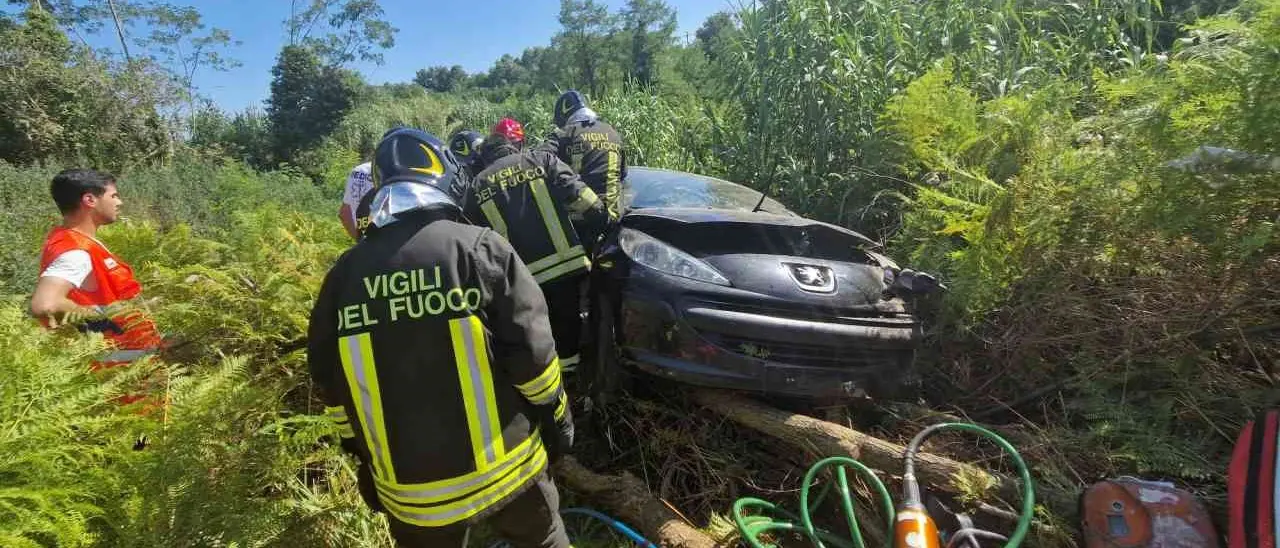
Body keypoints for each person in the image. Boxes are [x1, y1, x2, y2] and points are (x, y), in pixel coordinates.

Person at [307, 127, 574, 548]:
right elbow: (534, 358)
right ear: (446, 177)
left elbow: (329, 383)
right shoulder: (479, 249)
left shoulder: (342, 278)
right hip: (509, 475)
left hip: (412, 499)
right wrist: (559, 422)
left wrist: (360, 454)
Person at [466, 122, 609, 373]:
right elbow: (587, 201)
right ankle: (572, 383)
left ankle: (545, 385)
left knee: (535, 337)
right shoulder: (542, 160)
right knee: (569, 333)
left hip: (520, 280)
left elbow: (471, 241)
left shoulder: (476, 187)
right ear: (516, 145)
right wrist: (602, 222)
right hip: (565, 270)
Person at [30, 168, 163, 375]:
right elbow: (45, 304)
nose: (120, 202)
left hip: (129, 370)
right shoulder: (76, 251)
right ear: (90, 200)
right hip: (117, 378)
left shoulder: (77, 242)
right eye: (114, 196)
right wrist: (98, 318)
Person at [535, 90, 627, 223]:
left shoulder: (563, 134)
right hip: (613, 218)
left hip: (580, 220)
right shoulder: (613, 133)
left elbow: (538, 161)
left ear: (563, 116)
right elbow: (623, 174)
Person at [339, 160, 374, 240]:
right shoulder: (397, 174)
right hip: (390, 245)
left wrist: (361, 243)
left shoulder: (358, 170)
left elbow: (344, 213)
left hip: (365, 243)